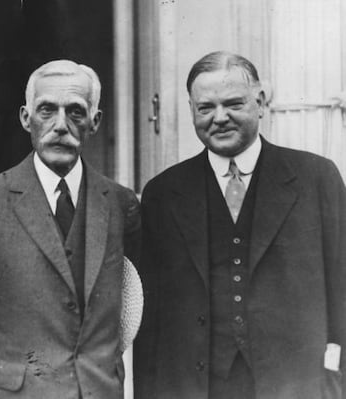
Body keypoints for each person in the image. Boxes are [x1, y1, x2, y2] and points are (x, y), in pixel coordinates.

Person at [133, 51, 346, 399]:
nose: (220, 118)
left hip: (296, 385)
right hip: (196, 386)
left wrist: (336, 381)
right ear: (191, 110)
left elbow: (342, 291)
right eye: (205, 108)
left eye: (233, 103)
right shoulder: (162, 194)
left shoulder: (316, 179)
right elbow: (151, 321)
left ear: (260, 102)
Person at [0, 60, 140, 399]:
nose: (60, 126)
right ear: (25, 118)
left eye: (76, 112)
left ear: (96, 122)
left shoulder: (121, 204)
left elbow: (131, 302)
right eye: (47, 110)